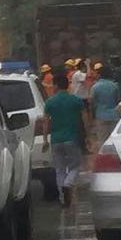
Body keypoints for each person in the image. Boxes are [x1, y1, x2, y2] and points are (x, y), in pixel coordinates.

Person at [44, 73, 85, 207]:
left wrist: (45, 139)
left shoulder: (49, 102)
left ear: (56, 85)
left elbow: (45, 122)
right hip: (72, 138)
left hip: (56, 140)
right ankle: (68, 184)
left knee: (59, 169)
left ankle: (63, 200)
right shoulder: (75, 100)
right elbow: (85, 118)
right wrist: (87, 134)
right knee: (75, 166)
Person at [91, 65, 121, 147]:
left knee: (102, 141)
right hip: (114, 115)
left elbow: (92, 101)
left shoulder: (95, 87)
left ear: (100, 75)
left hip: (101, 116)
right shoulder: (114, 85)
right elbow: (117, 99)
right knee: (114, 141)